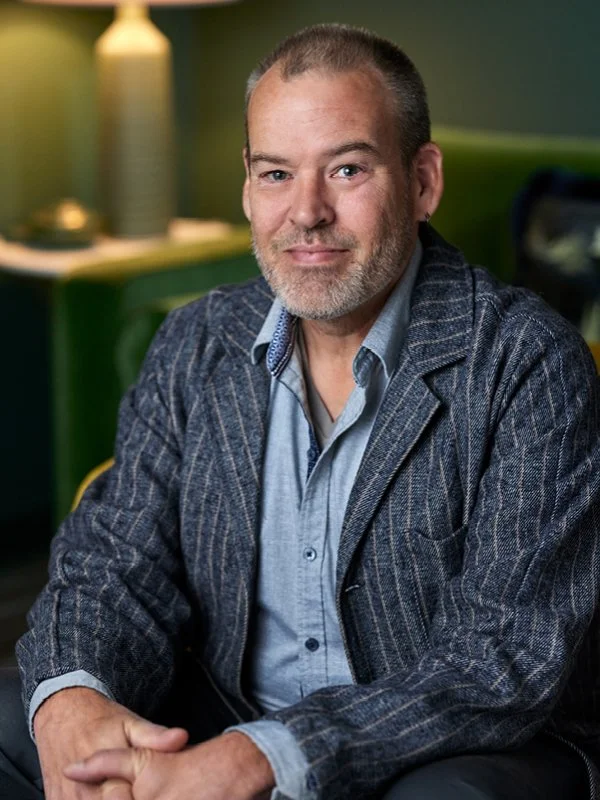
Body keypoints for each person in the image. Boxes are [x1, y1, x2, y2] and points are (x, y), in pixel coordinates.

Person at [1, 22, 599, 800]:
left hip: (444, 748)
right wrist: (77, 702)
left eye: (346, 169)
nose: (306, 212)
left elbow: (501, 661)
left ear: (423, 182)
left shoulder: (528, 363)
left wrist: (268, 757)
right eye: (276, 173)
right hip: (223, 715)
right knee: (25, 716)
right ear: (248, 187)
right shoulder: (195, 341)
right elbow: (114, 567)